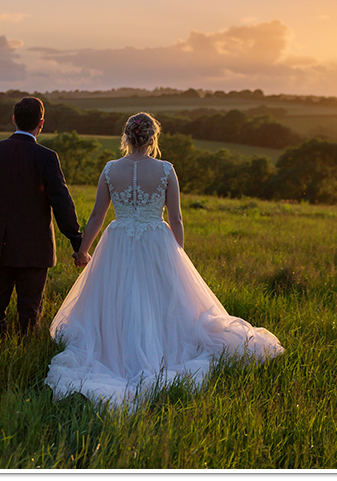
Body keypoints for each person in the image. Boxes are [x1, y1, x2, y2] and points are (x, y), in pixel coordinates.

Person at [45, 112, 284, 408]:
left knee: (119, 297)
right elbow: (176, 219)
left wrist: (82, 250)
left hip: (118, 239)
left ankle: (117, 351)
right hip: (156, 239)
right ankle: (157, 352)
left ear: (127, 137)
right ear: (152, 138)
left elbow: (97, 216)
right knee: (161, 300)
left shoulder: (110, 169)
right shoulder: (166, 170)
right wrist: (177, 254)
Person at [0, 96, 86, 336]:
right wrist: (78, 242)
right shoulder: (46, 157)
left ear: (14, 120)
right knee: (30, 312)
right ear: (41, 123)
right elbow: (61, 202)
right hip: (34, 249)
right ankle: (25, 354)